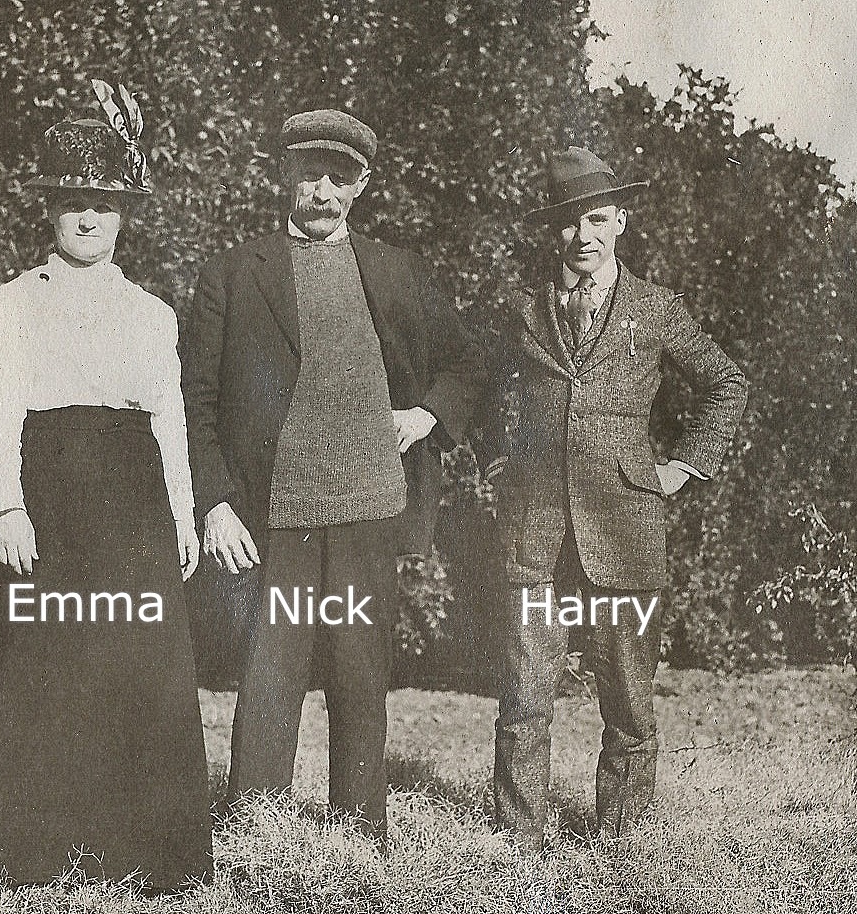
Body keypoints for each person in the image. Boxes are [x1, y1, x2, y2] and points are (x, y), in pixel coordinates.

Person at [181, 109, 487, 842]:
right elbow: (194, 401)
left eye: (339, 177)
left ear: (362, 184)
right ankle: (256, 832)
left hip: (369, 508)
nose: (322, 191)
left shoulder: (397, 272)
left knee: (359, 675)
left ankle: (360, 832)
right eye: (309, 173)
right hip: (273, 516)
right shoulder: (234, 274)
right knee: (271, 674)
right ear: (283, 176)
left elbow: (466, 364)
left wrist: (426, 416)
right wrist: (215, 503)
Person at [0, 79, 212, 893]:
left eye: (102, 203)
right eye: (71, 203)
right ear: (49, 211)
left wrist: (182, 518)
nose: (87, 219)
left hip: (133, 509)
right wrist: (4, 505)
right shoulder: (10, 306)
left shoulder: (153, 314)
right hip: (48, 501)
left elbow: (169, 421)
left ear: (124, 212)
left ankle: (140, 852)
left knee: (132, 670)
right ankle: (33, 849)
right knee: (47, 666)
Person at [485, 146, 747, 853]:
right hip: (535, 532)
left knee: (628, 698)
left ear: (621, 221)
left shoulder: (656, 308)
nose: (583, 236)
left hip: (626, 531)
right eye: (569, 222)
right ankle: (516, 840)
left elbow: (726, 383)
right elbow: (481, 389)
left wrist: (683, 465)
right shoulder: (522, 309)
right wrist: (500, 460)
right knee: (525, 693)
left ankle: (622, 840)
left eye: (597, 219)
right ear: (552, 230)